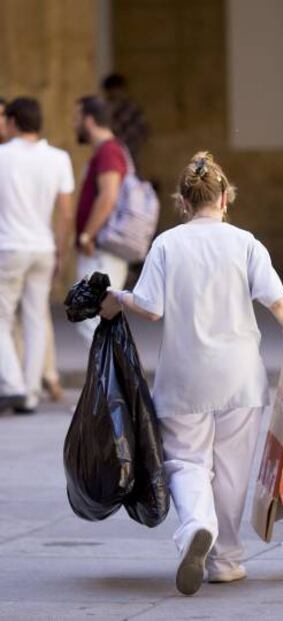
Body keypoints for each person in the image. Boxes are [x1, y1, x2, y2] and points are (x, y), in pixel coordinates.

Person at [100, 151, 283, 595]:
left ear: (183, 201)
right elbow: (277, 299)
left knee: (186, 462)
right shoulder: (246, 242)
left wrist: (118, 296)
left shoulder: (168, 244)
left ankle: (196, 524)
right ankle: (227, 561)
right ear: (226, 198)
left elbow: (151, 309)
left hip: (184, 376)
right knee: (232, 470)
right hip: (240, 376)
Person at [0, 97, 74, 413]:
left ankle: (13, 384)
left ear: (13, 122)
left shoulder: (2, 156)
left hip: (9, 246)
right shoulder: (59, 158)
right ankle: (29, 394)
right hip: (44, 247)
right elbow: (66, 213)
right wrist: (60, 251)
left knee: (2, 318)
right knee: (35, 318)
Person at [74, 95, 129, 345]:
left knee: (89, 316)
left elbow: (108, 195)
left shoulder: (108, 151)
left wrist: (87, 234)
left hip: (101, 248)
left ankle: (106, 382)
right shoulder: (109, 150)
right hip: (102, 248)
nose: (74, 123)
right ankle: (108, 381)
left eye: (77, 118)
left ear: (88, 120)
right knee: (98, 318)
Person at [101, 73, 149, 172]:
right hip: (109, 153)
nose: (115, 93)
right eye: (111, 91)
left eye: (117, 90)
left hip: (129, 153)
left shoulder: (131, 109)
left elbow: (143, 131)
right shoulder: (104, 109)